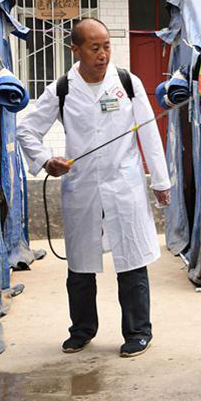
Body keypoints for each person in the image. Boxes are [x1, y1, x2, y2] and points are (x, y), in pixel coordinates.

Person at [17, 18, 171, 357]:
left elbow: (149, 134)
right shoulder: (62, 89)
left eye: (106, 46)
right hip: (82, 188)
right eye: (95, 47)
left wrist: (160, 182)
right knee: (80, 265)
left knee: (131, 259)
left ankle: (138, 332)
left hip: (124, 185)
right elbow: (26, 130)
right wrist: (46, 160)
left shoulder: (127, 83)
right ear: (76, 49)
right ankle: (82, 330)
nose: (102, 54)